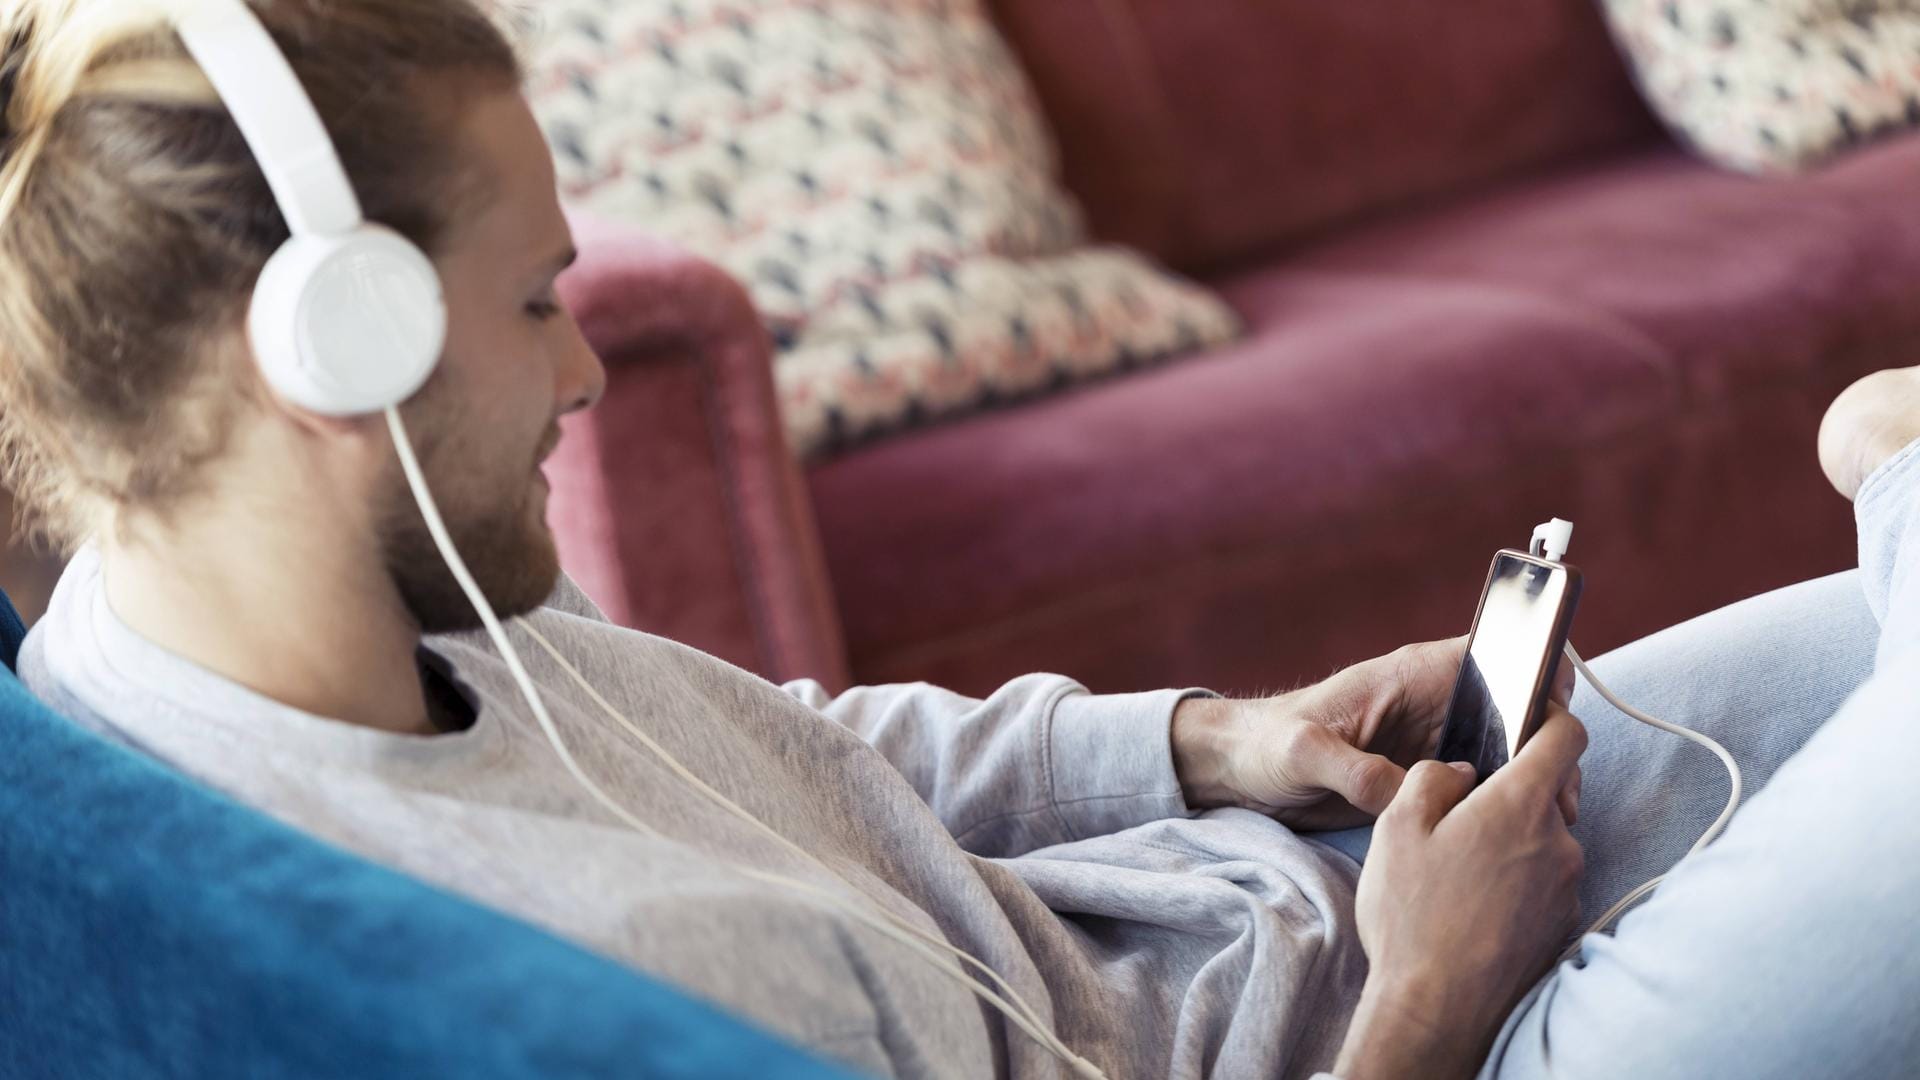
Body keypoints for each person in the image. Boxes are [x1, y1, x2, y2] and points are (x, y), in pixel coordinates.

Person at [2, 3, 1913, 1078]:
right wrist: (1436, 990)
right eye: (532, 307)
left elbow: (788, 754)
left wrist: (1217, 740)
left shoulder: (287, 611)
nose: (583, 368)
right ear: (342, 354)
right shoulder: (491, 1008)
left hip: (1277, 910)